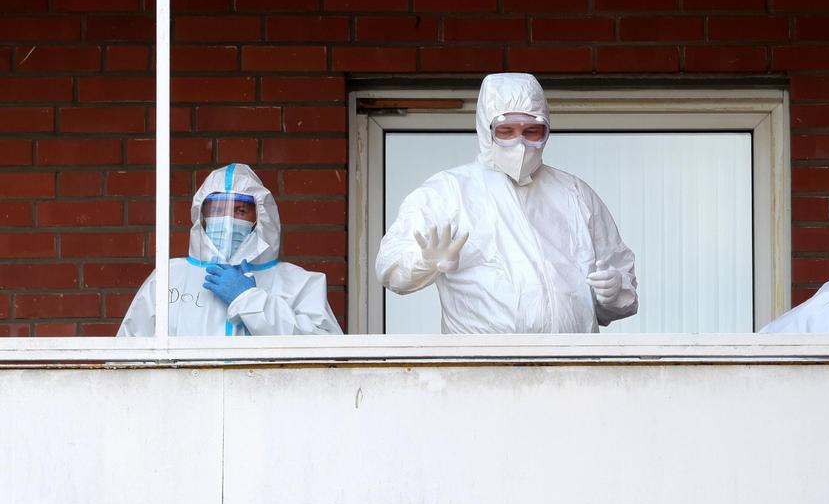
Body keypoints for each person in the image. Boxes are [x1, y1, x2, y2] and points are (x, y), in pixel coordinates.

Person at [375, 73, 638, 333]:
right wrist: (424, 261)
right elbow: (391, 270)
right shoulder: (449, 191)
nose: (520, 143)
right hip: (483, 366)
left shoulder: (575, 194)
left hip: (574, 365)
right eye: (506, 131)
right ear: (485, 128)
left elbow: (618, 298)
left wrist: (615, 292)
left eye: (532, 132)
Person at [118, 163, 343, 337]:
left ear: (261, 217)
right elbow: (130, 353)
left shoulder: (299, 284)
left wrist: (250, 300)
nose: (226, 221)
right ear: (201, 216)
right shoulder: (168, 279)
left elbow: (325, 353)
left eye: (241, 210)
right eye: (216, 210)